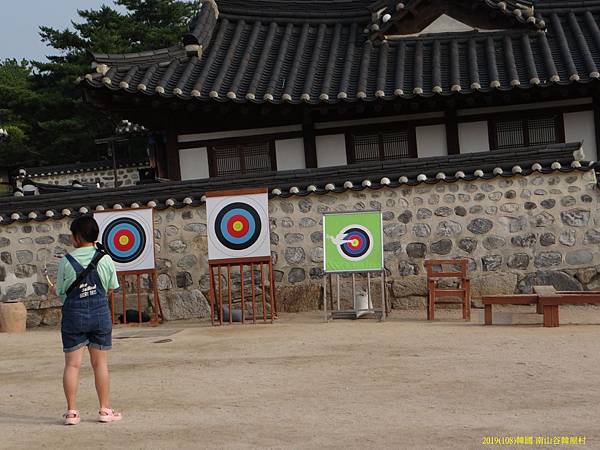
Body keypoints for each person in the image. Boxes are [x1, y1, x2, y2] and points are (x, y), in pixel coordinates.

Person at [55, 215, 122, 425]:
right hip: (100, 313)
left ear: (76, 237)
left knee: (72, 366)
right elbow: (111, 288)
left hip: (73, 316)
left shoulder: (66, 262)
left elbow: (61, 293)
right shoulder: (106, 259)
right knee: (100, 364)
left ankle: (72, 412)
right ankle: (104, 409)